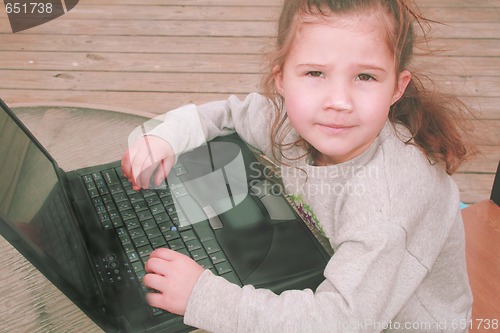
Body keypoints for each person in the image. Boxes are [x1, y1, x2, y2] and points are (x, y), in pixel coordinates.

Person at [121, 0, 477, 332]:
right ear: (281, 79)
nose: (338, 102)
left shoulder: (385, 205)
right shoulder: (290, 123)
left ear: (397, 88)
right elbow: (230, 114)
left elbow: (340, 321)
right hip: (331, 272)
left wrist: (205, 297)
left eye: (365, 77)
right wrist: (166, 138)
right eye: (315, 73)